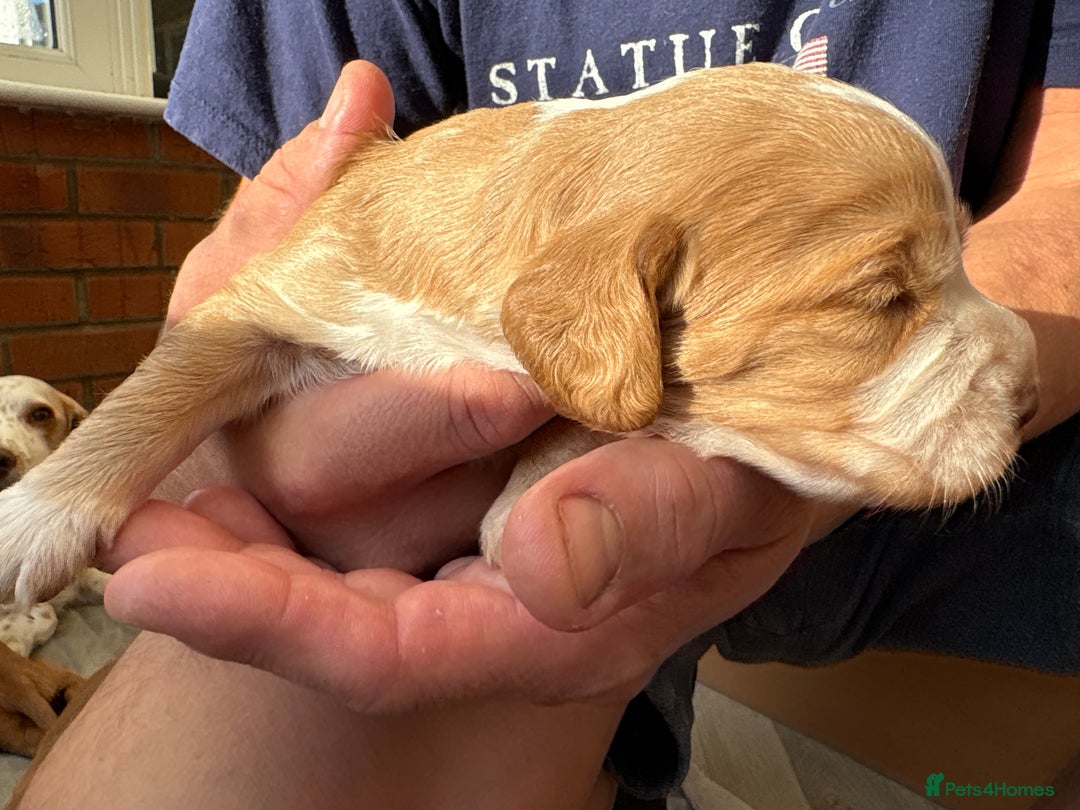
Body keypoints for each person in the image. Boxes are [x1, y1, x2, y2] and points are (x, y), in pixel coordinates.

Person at [13, 2, 1080, 808]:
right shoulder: (402, 244)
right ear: (607, 311)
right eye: (886, 296)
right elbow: (232, 320)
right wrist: (102, 477)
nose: (1006, 360)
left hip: (953, 655)